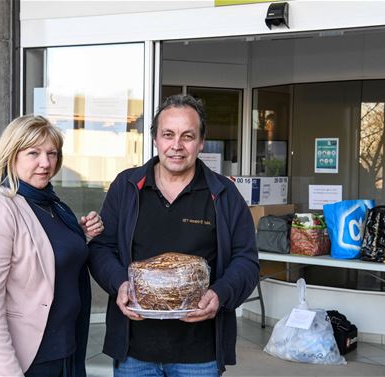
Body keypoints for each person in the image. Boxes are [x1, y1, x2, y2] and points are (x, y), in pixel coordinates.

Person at [88, 94, 259, 376]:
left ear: (201, 142)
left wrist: (220, 294)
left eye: (187, 136)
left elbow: (246, 261)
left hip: (199, 355)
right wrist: (119, 284)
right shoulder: (127, 186)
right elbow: (101, 248)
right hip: (134, 352)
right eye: (168, 135)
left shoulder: (224, 195)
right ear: (155, 138)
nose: (176, 146)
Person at [0, 115, 103, 377]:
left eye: (52, 153)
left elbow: (47, 257)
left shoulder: (53, 205)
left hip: (63, 349)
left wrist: (81, 237)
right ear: (11, 155)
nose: (46, 163)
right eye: (33, 153)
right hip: (21, 360)